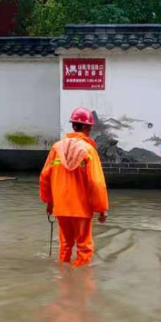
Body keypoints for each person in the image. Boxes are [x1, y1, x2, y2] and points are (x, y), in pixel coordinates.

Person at [40, 108, 109, 266]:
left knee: (65, 245)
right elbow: (96, 182)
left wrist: (50, 202)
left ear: (73, 126)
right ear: (87, 128)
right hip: (81, 208)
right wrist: (102, 207)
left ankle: (63, 279)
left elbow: (45, 177)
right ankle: (80, 283)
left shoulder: (57, 148)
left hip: (61, 206)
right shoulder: (88, 150)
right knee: (84, 247)